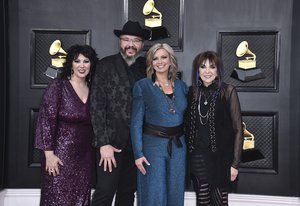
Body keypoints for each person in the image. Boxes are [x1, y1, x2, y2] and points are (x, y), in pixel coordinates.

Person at [90, 20, 149, 206]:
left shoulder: (146, 68)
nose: (131, 44)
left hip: (136, 145)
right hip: (111, 145)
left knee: (127, 194)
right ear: (120, 42)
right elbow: (96, 105)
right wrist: (103, 143)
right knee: (104, 193)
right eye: (126, 39)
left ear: (142, 44)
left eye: (136, 40)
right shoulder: (105, 65)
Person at [35, 44, 98, 205]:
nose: (82, 66)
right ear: (70, 63)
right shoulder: (58, 86)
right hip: (59, 156)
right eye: (77, 61)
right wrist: (49, 155)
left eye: (86, 61)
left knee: (80, 200)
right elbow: (46, 121)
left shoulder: (94, 90)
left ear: (92, 64)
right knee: (57, 199)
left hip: (85, 157)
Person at [131, 43, 188, 206]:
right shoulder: (142, 86)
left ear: (171, 60)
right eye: (155, 58)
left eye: (164, 57)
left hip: (178, 146)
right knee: (154, 194)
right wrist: (138, 154)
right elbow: (136, 123)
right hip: (152, 147)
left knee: (175, 192)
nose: (160, 61)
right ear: (151, 62)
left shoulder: (182, 86)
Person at [185, 51, 243, 206]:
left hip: (221, 160)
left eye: (212, 67)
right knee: (202, 201)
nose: (207, 71)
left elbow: (238, 129)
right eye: (203, 67)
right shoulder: (191, 92)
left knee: (219, 202)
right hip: (197, 158)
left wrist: (235, 163)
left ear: (218, 70)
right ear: (197, 71)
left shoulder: (228, 91)